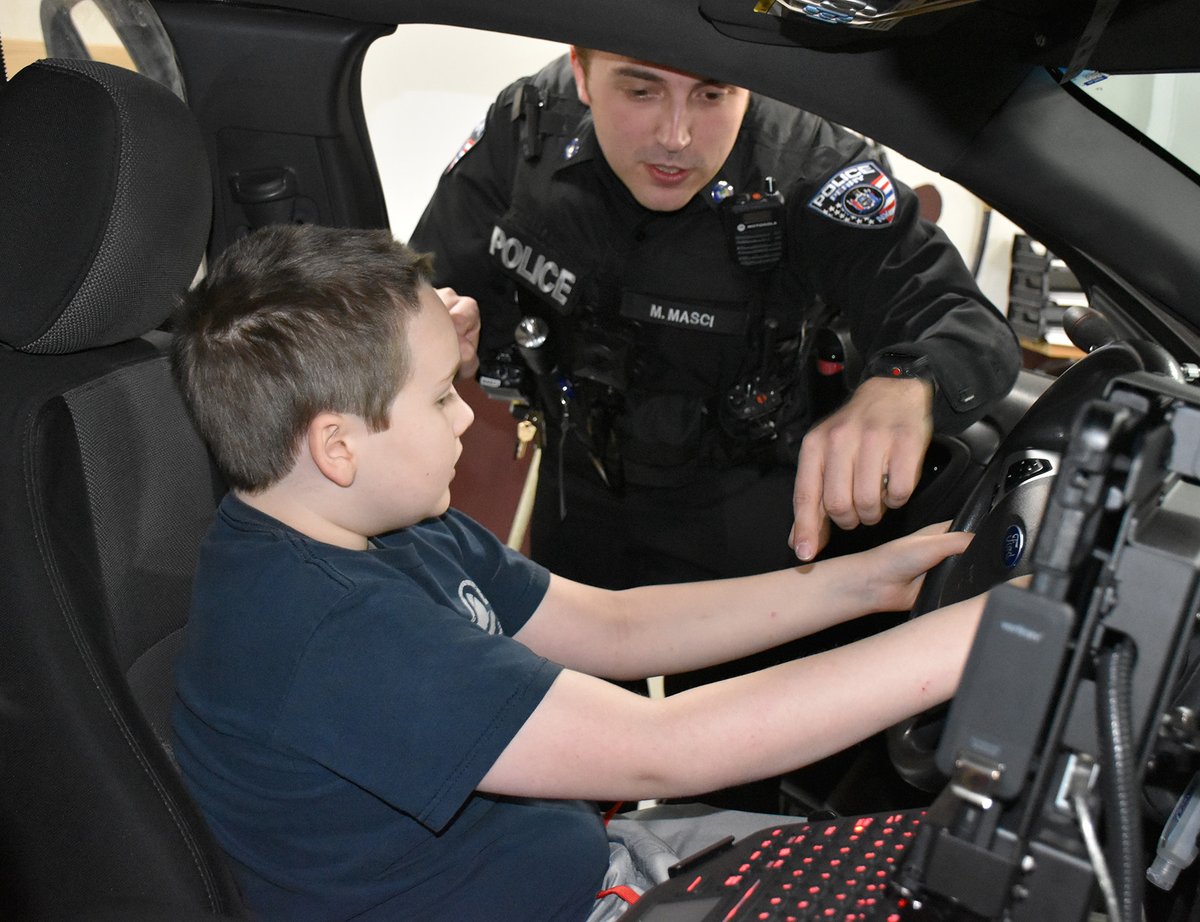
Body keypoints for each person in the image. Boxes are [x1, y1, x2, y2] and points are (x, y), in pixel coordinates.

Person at [170, 224, 989, 922]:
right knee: (958, 885)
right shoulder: (328, 632)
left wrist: (869, 583)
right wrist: (989, 634)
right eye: (437, 399)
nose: (467, 413)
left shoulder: (388, 530)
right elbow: (662, 749)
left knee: (951, 863)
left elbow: (615, 627)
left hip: (594, 864)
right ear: (338, 447)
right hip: (578, 904)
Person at [409, 46, 1021, 591]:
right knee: (568, 695)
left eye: (712, 93)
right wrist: (439, 333)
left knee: (746, 714)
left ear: (749, 84)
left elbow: (964, 320)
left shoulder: (817, 165)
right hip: (581, 480)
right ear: (582, 74)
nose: (675, 135)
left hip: (749, 501)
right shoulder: (527, 131)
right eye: (641, 90)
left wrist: (908, 382)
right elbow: (423, 287)